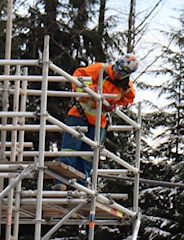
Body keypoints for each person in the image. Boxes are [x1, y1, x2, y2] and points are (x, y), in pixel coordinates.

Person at [58, 54, 138, 185]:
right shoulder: (101, 69)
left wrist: (115, 104)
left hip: (99, 121)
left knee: (87, 156)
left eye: (121, 72)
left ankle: (79, 186)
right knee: (71, 150)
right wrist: (87, 90)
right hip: (79, 113)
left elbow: (129, 98)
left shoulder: (125, 85)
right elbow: (79, 75)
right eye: (117, 69)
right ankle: (62, 182)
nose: (117, 73)